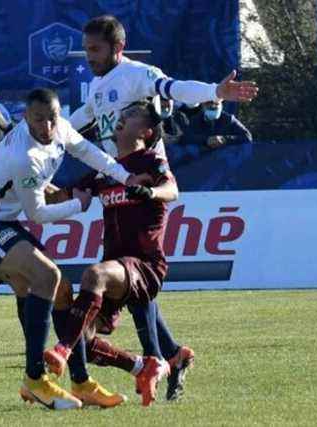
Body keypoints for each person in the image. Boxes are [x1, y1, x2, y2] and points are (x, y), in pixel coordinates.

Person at [0, 88, 148, 410]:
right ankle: (35, 378)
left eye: (52, 117)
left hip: (1, 222)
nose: (47, 126)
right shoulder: (24, 156)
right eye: (38, 119)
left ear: (59, 114)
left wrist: (125, 176)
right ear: (26, 118)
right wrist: (77, 205)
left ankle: (81, 383)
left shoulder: (61, 128)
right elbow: (37, 214)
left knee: (62, 291)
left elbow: (89, 152)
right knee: (47, 275)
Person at [44, 101, 192, 406]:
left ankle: (61, 350)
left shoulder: (150, 160)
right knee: (86, 339)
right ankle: (142, 365)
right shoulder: (106, 169)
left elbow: (171, 190)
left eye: (130, 117)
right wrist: (28, 180)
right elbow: (61, 195)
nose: (120, 120)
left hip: (145, 265)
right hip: (118, 269)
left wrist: (150, 192)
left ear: (146, 131)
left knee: (93, 275)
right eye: (121, 116)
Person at [69, 15, 259, 159]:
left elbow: (175, 88)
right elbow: (85, 115)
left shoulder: (137, 73)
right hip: (115, 174)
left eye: (95, 49)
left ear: (118, 47)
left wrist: (214, 91)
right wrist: (50, 134)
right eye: (86, 50)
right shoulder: (97, 84)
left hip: (145, 176)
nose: (89, 57)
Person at [180, 99, 252, 148]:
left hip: (224, 161)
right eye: (209, 104)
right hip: (202, 160)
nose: (213, 106)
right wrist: (206, 140)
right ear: (203, 106)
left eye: (216, 104)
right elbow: (187, 138)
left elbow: (247, 137)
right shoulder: (195, 120)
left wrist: (224, 139)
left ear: (221, 105)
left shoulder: (229, 119)